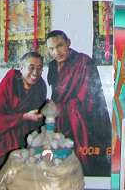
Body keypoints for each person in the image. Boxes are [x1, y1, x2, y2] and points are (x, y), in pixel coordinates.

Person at [46, 29, 112, 176]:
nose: (56, 52)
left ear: (68, 43)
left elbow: (89, 98)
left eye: (60, 46)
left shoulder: (84, 61)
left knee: (84, 164)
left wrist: (61, 108)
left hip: (84, 120)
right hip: (62, 119)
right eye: (51, 49)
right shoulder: (52, 66)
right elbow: (57, 94)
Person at [0, 51, 47, 173]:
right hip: (1, 136)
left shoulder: (41, 85)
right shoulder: (10, 82)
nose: (35, 73)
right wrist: (24, 116)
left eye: (39, 68)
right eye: (31, 67)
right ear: (21, 67)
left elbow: (38, 113)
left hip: (24, 138)